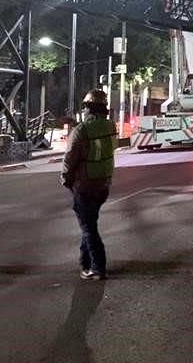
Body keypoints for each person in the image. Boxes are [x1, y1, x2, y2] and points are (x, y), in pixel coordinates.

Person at [61, 90, 117, 281]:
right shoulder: (110, 125)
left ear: (89, 108)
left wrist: (65, 179)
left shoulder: (81, 130)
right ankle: (84, 263)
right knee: (90, 222)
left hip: (84, 186)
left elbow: (70, 159)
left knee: (88, 228)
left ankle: (98, 267)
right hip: (104, 184)